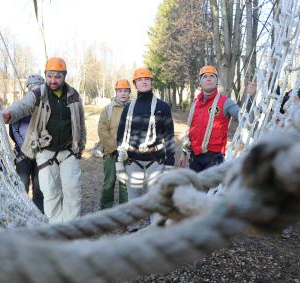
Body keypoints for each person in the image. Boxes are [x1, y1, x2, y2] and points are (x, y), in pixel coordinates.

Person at [2, 57, 86, 223]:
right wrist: (10, 113)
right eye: (49, 76)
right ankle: (55, 226)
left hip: (69, 151)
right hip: (46, 152)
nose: (52, 80)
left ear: (64, 77)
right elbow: (24, 105)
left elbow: (80, 121)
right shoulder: (39, 93)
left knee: (73, 191)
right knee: (50, 192)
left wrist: (80, 146)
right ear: (45, 75)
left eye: (57, 76)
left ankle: (71, 226)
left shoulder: (73, 95)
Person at [116, 67, 175, 231]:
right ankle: (133, 230)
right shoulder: (129, 107)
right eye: (140, 79)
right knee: (133, 199)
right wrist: (118, 161)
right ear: (135, 83)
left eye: (147, 79)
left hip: (156, 161)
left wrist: (170, 161)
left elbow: (169, 134)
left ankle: (156, 233)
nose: (144, 81)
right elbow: (121, 134)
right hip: (132, 161)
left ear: (151, 82)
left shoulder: (162, 106)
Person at [179, 65, 240, 172]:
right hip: (194, 159)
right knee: (194, 188)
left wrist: (251, 97)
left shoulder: (226, 102)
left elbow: (246, 118)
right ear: (200, 81)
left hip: (214, 160)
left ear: (216, 81)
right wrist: (184, 154)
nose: (208, 78)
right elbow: (190, 130)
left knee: (208, 189)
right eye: (205, 76)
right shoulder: (195, 103)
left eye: (212, 76)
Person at [8, 74, 45, 213]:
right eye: (33, 87)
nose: (35, 91)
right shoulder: (19, 107)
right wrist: (25, 148)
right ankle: (22, 213)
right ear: (28, 89)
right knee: (22, 185)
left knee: (39, 187)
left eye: (38, 88)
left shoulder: (44, 109)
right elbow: (14, 131)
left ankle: (39, 213)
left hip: (40, 154)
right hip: (23, 155)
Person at [98, 79, 130, 209]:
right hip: (111, 153)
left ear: (129, 92)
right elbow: (102, 130)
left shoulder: (133, 108)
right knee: (109, 182)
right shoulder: (108, 109)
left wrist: (128, 150)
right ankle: (106, 210)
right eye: (120, 91)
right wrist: (114, 148)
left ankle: (124, 211)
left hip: (128, 154)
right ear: (116, 92)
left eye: (126, 91)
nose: (123, 93)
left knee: (125, 184)